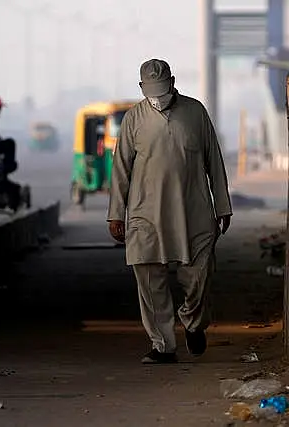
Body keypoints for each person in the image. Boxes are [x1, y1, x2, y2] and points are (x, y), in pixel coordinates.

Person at [107, 58, 232, 364]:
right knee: (150, 279)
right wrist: (115, 213)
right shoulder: (133, 119)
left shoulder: (195, 113)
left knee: (200, 275)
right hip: (146, 212)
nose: (159, 97)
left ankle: (193, 321)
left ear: (174, 82)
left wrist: (222, 204)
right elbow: (121, 168)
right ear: (141, 88)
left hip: (194, 210)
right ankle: (163, 345)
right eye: (152, 91)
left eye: (163, 90)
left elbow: (213, 160)